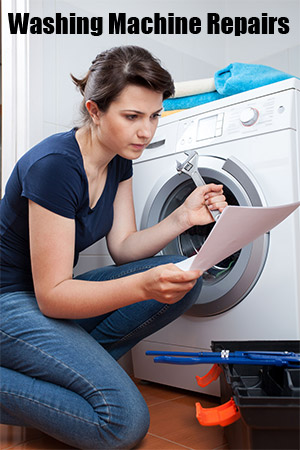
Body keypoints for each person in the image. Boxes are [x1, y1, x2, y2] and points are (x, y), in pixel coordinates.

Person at [0, 45, 227, 449]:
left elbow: (123, 247)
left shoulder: (120, 159)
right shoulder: (53, 165)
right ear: (94, 110)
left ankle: (62, 376)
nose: (147, 131)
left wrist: (183, 219)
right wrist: (143, 286)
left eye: (154, 115)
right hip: (10, 302)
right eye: (132, 117)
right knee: (121, 424)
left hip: (41, 300)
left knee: (186, 275)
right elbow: (52, 297)